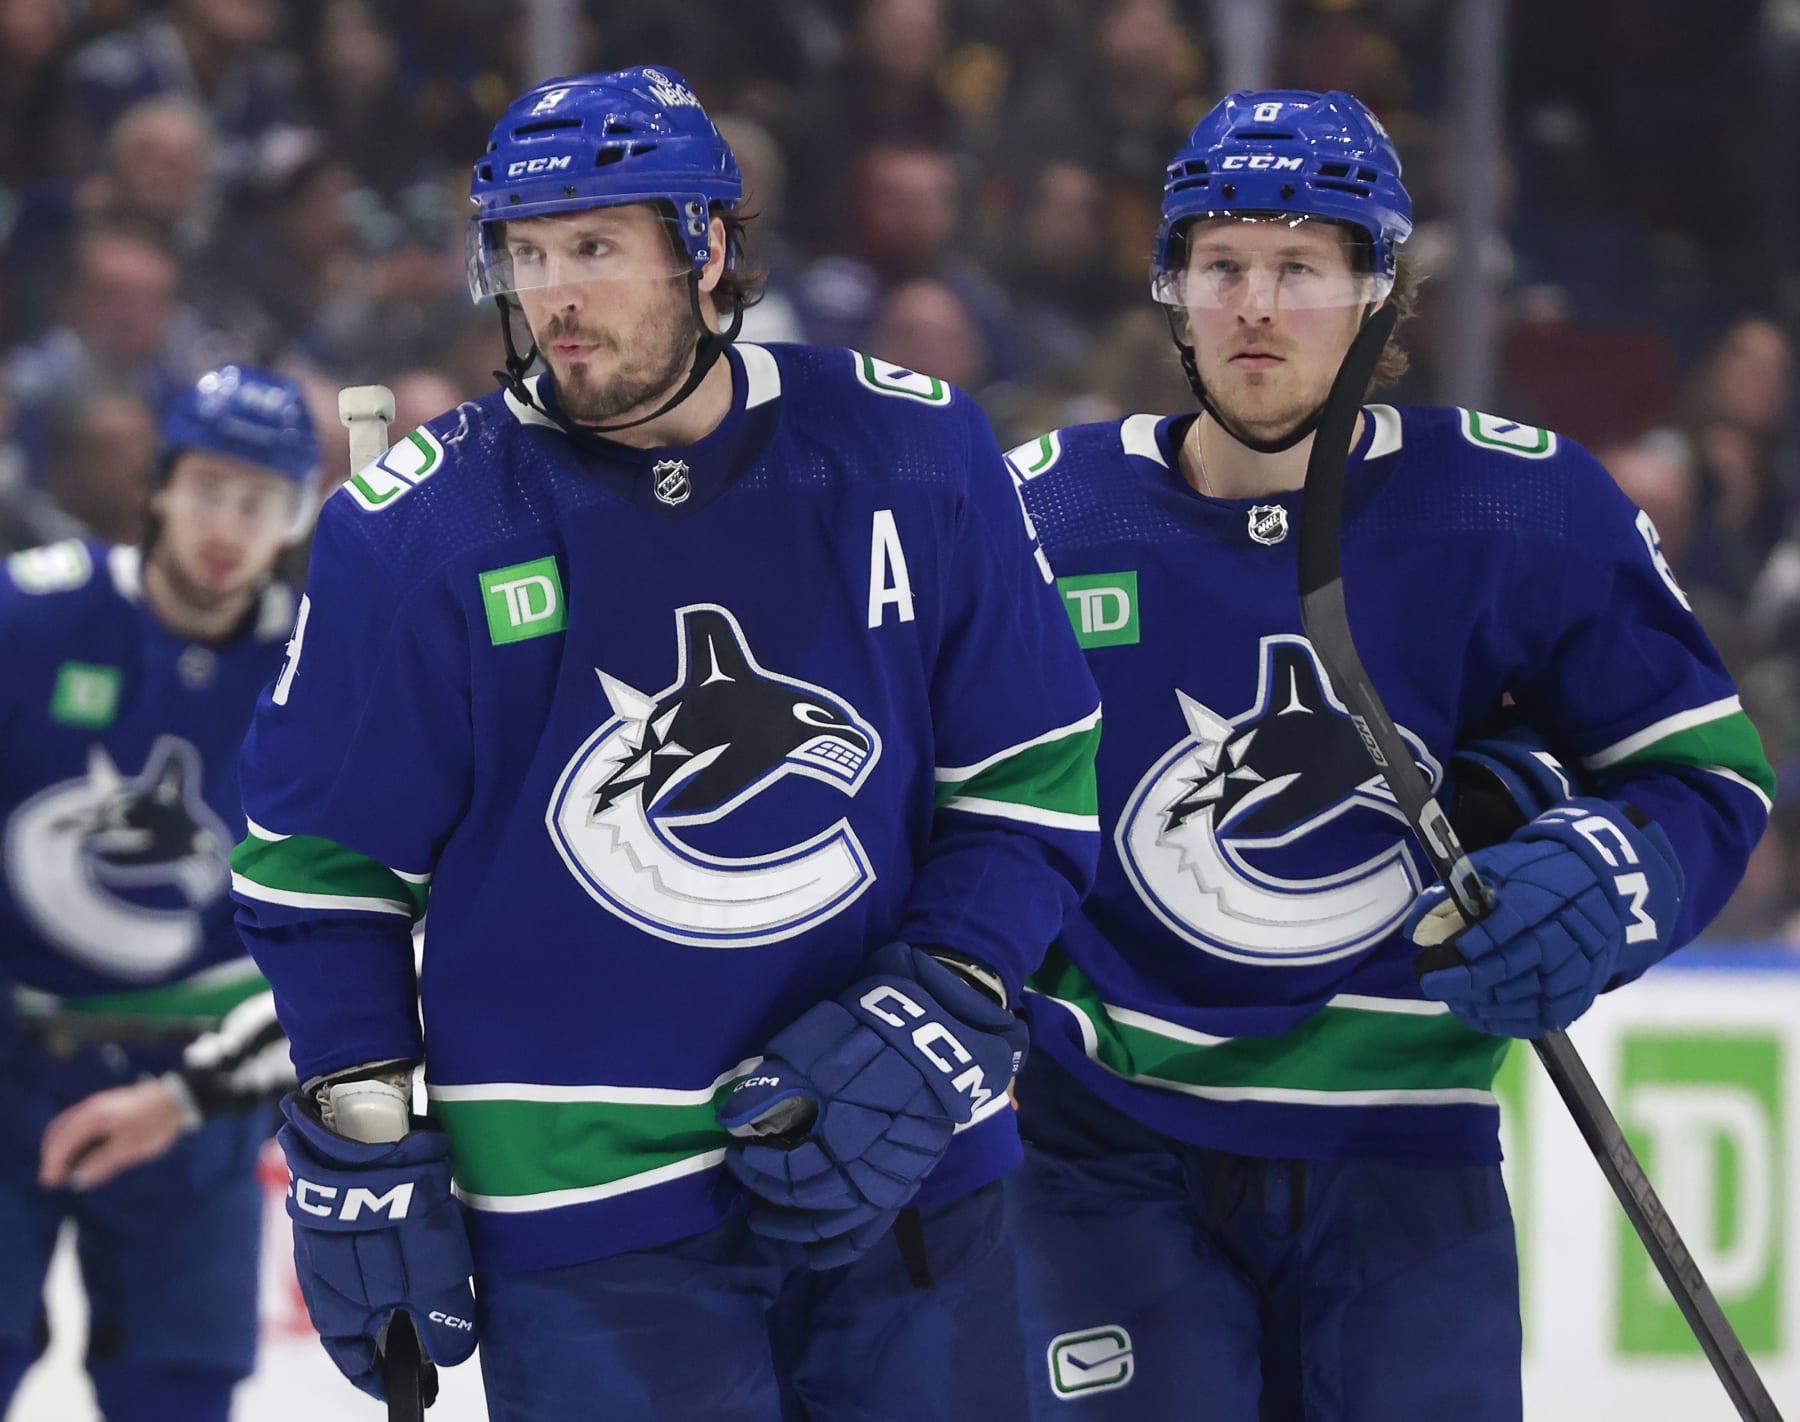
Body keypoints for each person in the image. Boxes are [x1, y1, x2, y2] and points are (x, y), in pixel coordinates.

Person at [229, 66, 1100, 1422]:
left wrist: (944, 999)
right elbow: (321, 873)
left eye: (594, 246)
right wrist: (363, 1124)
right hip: (585, 1216)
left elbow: (1032, 775)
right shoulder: (416, 531)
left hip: (907, 1169)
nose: (555, 295)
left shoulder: (910, 451)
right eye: (524, 253)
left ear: (707, 248)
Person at [1005, 90, 1772, 1420]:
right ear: (1172, 289)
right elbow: (937, 802)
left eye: (1300, 267)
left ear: (1378, 295)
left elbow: (1705, 780)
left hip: (1404, 1153)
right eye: (1221, 264)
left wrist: (1605, 874)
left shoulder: (1513, 505)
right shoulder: (1043, 518)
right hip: (1104, 1151)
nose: (1254, 305)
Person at [0, 364, 319, 1421]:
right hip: (11, 1060)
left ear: (295, 518)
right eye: (212, 489)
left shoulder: (322, 666)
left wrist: (206, 1092)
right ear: (162, 487)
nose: (230, 525)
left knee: (177, 1393)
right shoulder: (33, 614)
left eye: (262, 500)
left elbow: (360, 916)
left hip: (202, 1094)